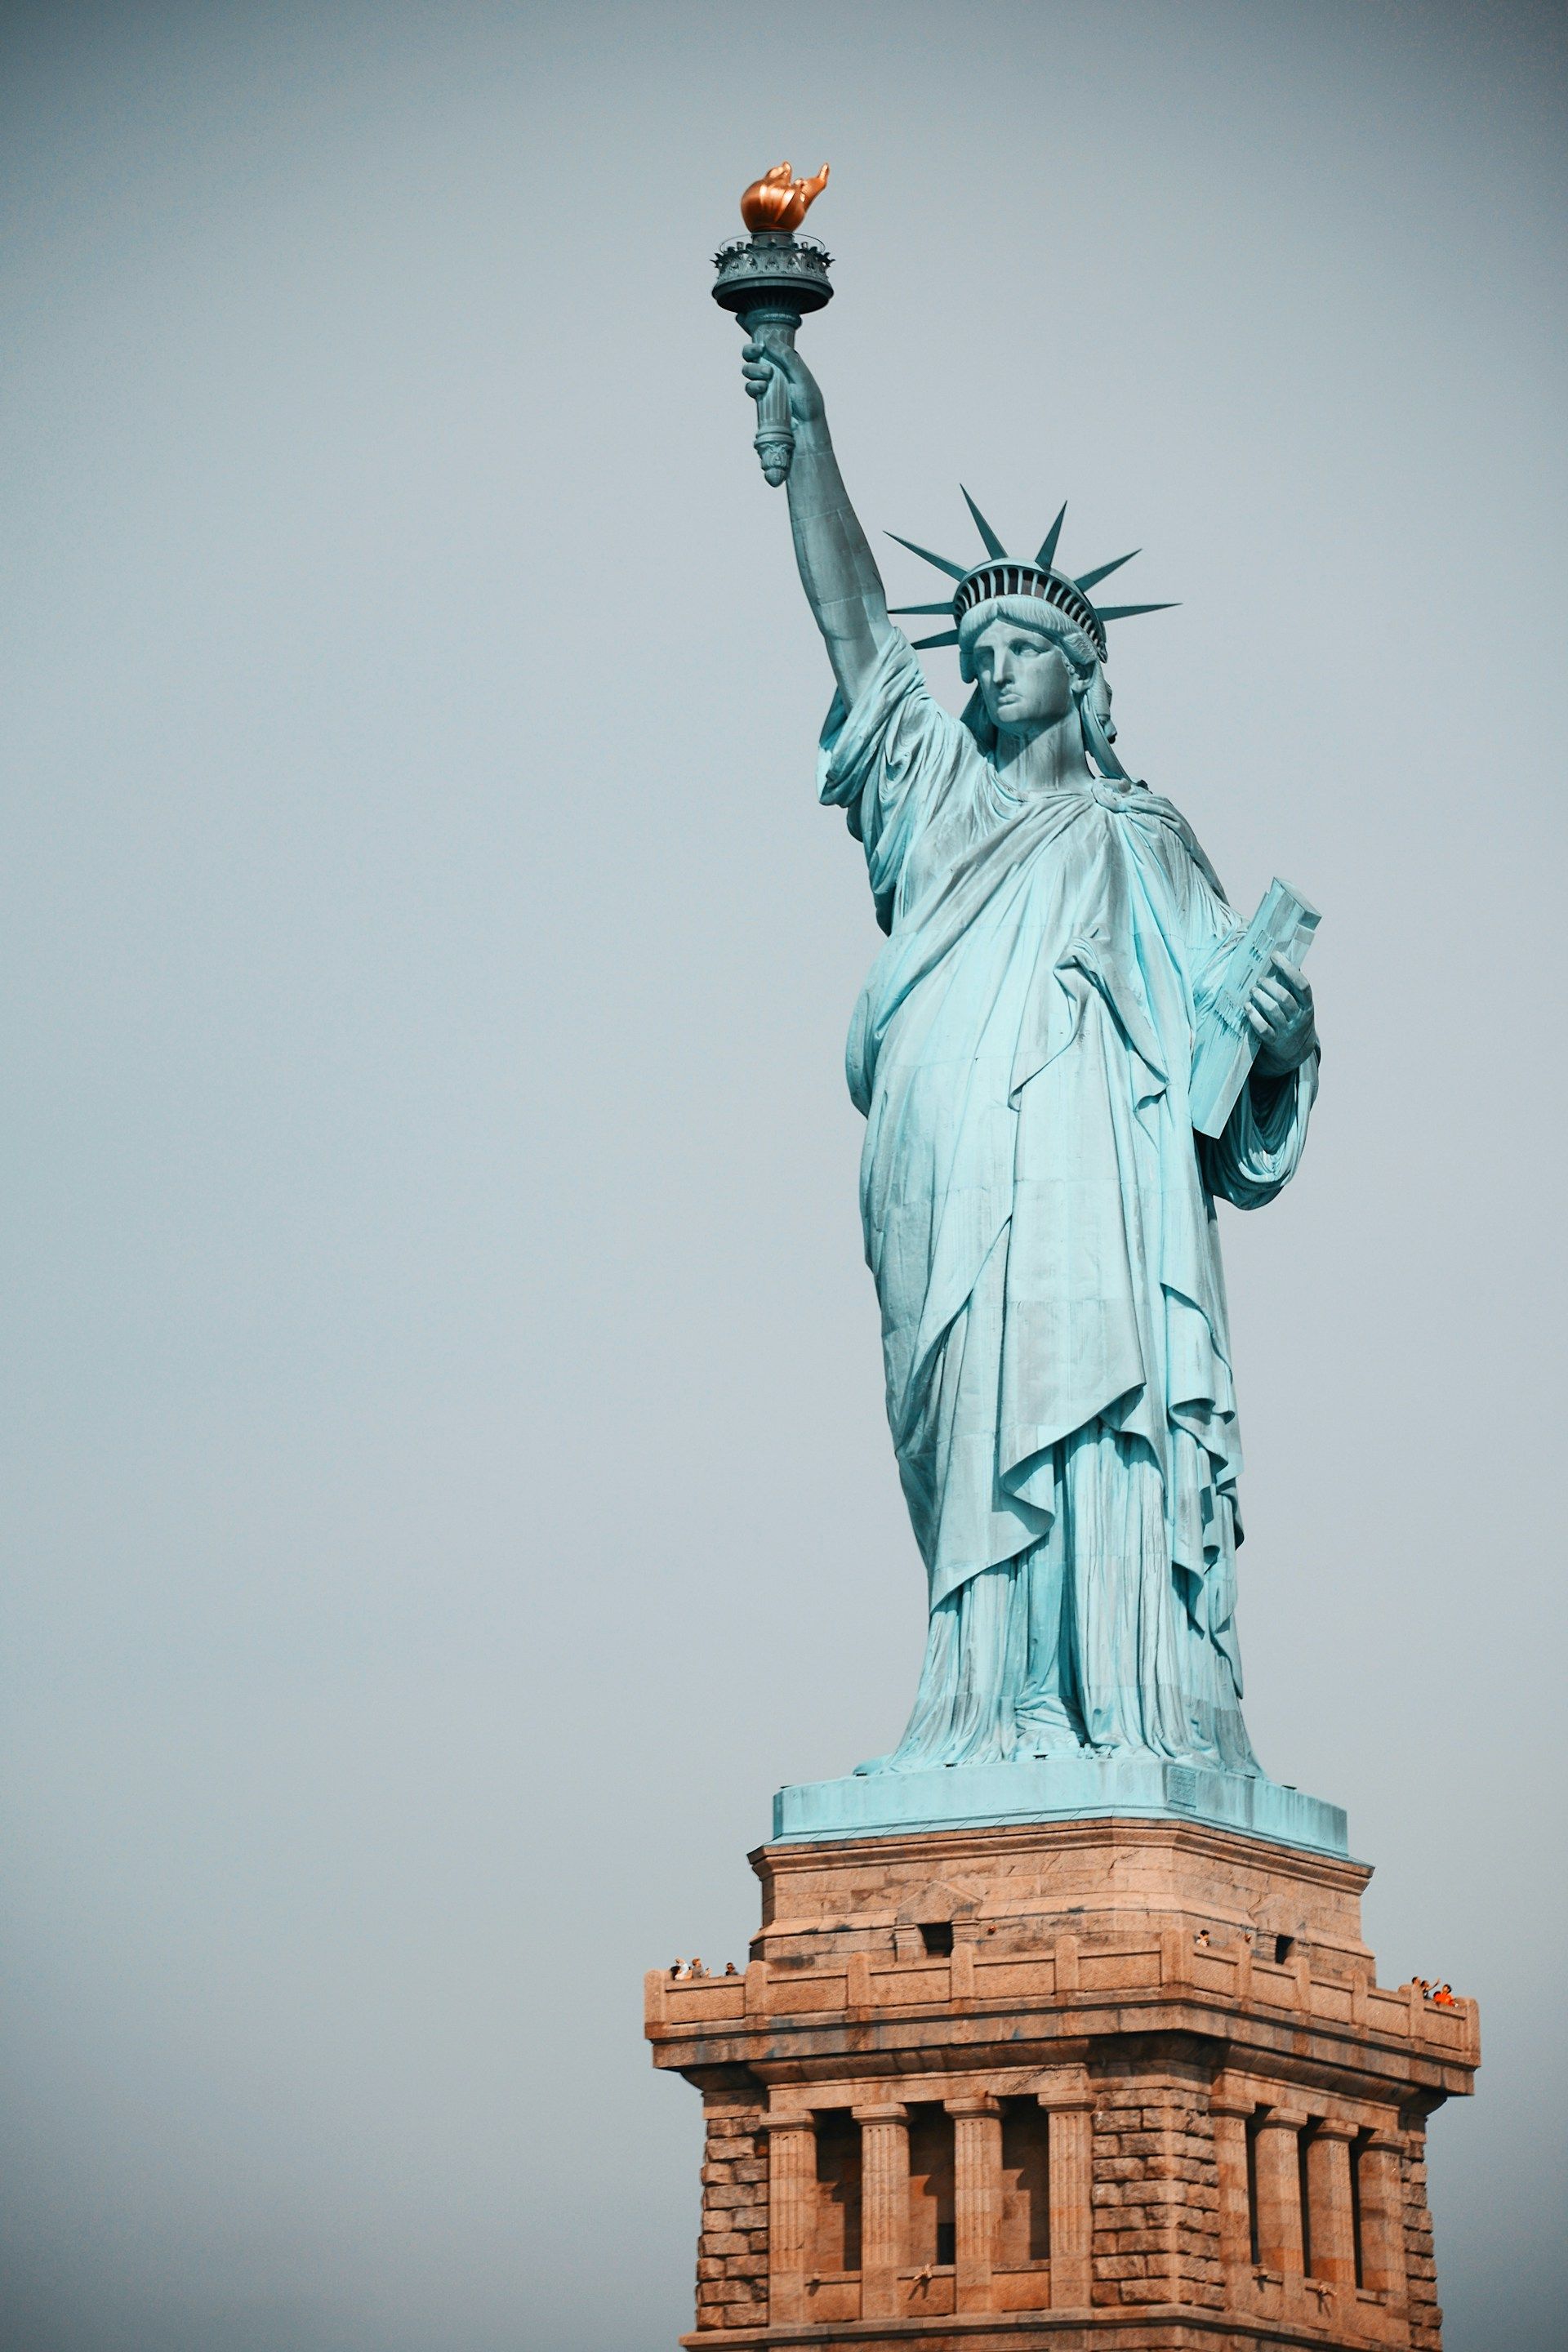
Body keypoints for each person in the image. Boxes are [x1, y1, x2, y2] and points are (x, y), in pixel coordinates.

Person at [742, 340, 1319, 1776]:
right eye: (977, 656)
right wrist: (807, 429)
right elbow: (856, 628)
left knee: (1107, 1415)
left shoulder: (1145, 840)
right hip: (954, 1169)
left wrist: (1280, 1034)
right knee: (976, 1404)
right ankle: (992, 1703)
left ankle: (1120, 1707)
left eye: (1018, 652)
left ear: (1083, 675)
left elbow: (1233, 1073)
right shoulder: (933, 799)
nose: (988, 671)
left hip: (1104, 1177)